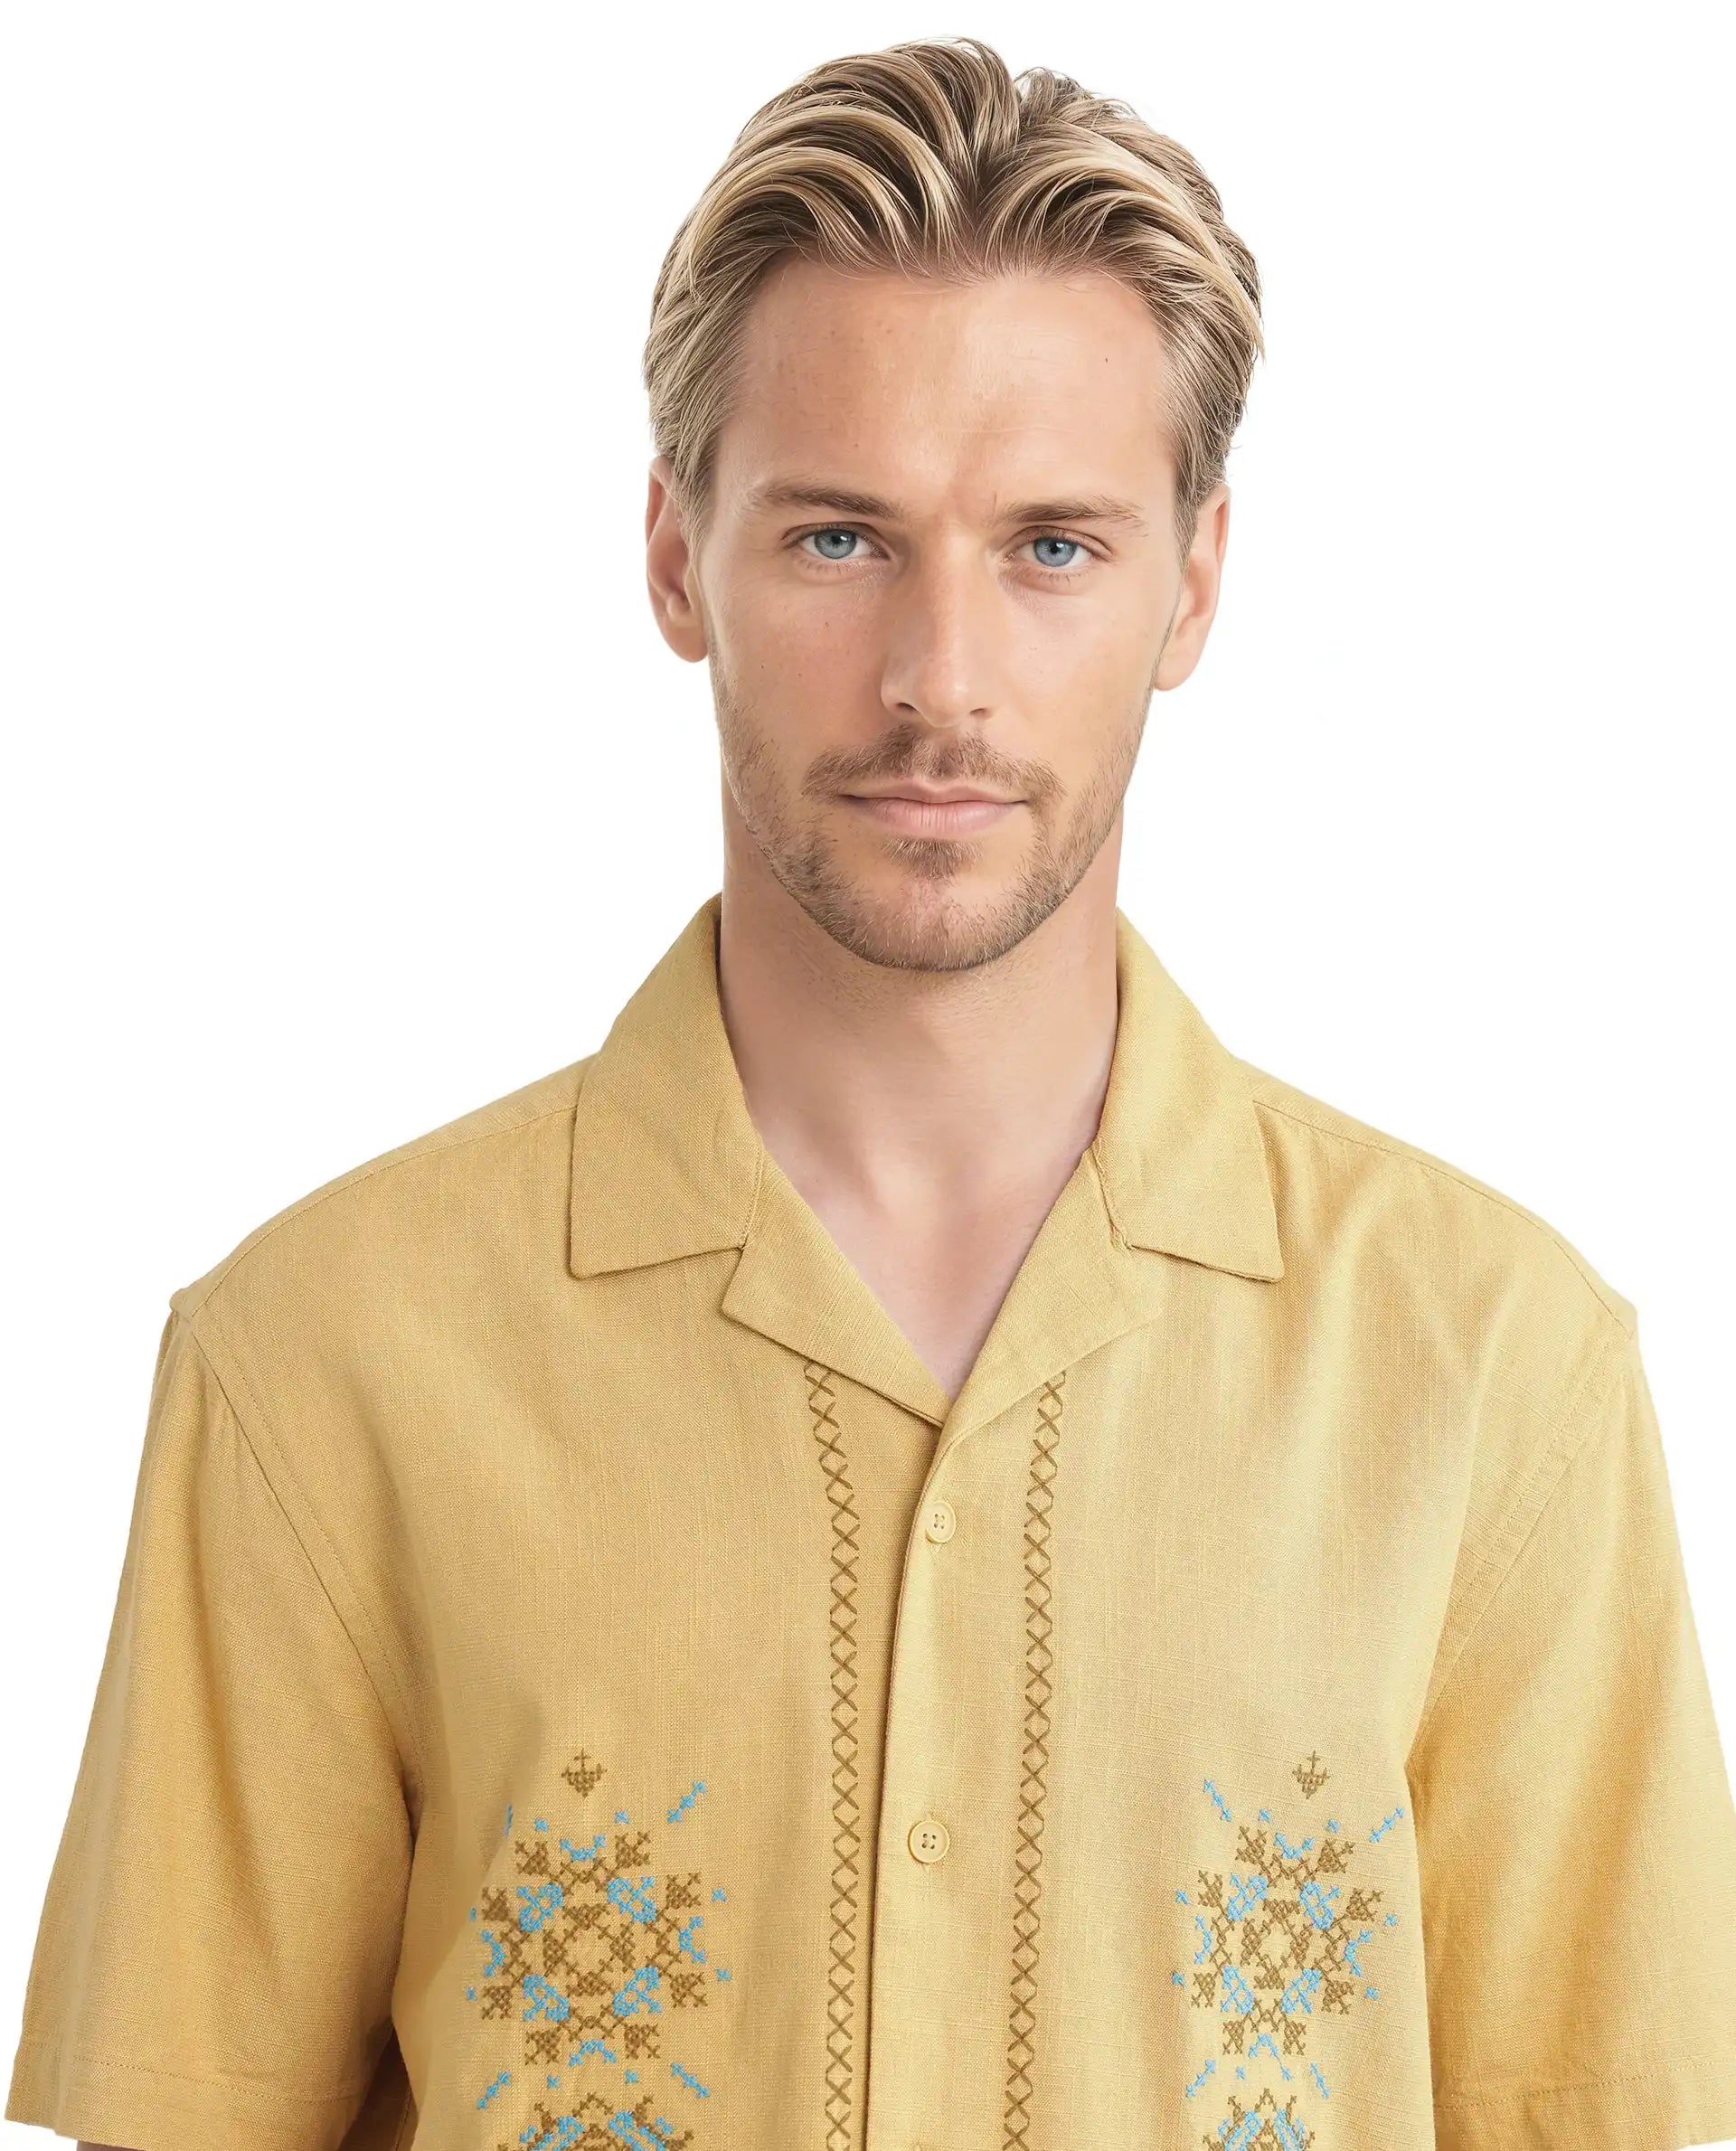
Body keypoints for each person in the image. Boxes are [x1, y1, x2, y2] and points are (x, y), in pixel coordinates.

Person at [9, 33, 1736, 2151]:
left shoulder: (1496, 1376)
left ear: (1196, 579)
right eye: (841, 538)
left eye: (1052, 547)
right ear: (676, 557)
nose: (941, 677)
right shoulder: (320, 1359)